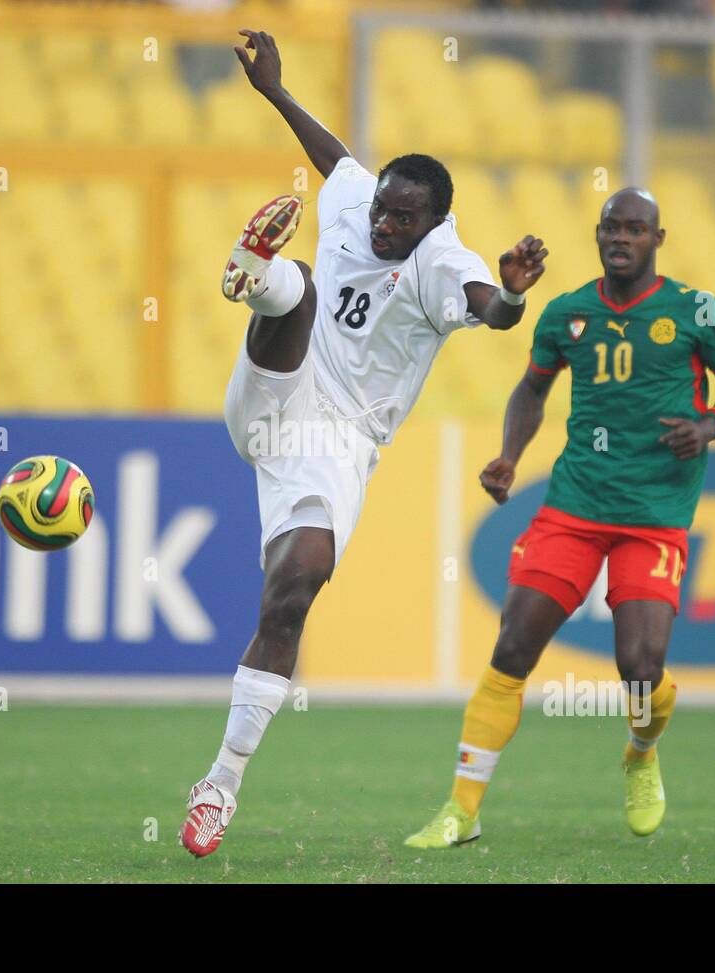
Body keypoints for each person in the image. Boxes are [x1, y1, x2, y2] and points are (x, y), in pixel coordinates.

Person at [179, 29, 549, 857]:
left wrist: (515, 298)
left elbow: (490, 308)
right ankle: (257, 276)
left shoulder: (443, 263)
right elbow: (338, 160)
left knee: (296, 587)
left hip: (339, 441)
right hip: (277, 388)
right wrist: (274, 90)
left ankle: (221, 782)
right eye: (381, 208)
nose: (384, 225)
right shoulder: (360, 201)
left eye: (403, 218)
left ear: (436, 224)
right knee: (301, 286)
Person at [405, 188, 715, 848]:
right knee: (512, 647)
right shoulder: (568, 314)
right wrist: (509, 456)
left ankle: (641, 753)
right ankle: (461, 808)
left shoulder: (697, 312)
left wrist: (713, 423)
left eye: (635, 229)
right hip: (574, 505)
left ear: (658, 238)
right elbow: (531, 389)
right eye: (610, 228)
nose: (620, 238)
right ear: (598, 235)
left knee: (641, 665)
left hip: (655, 512)